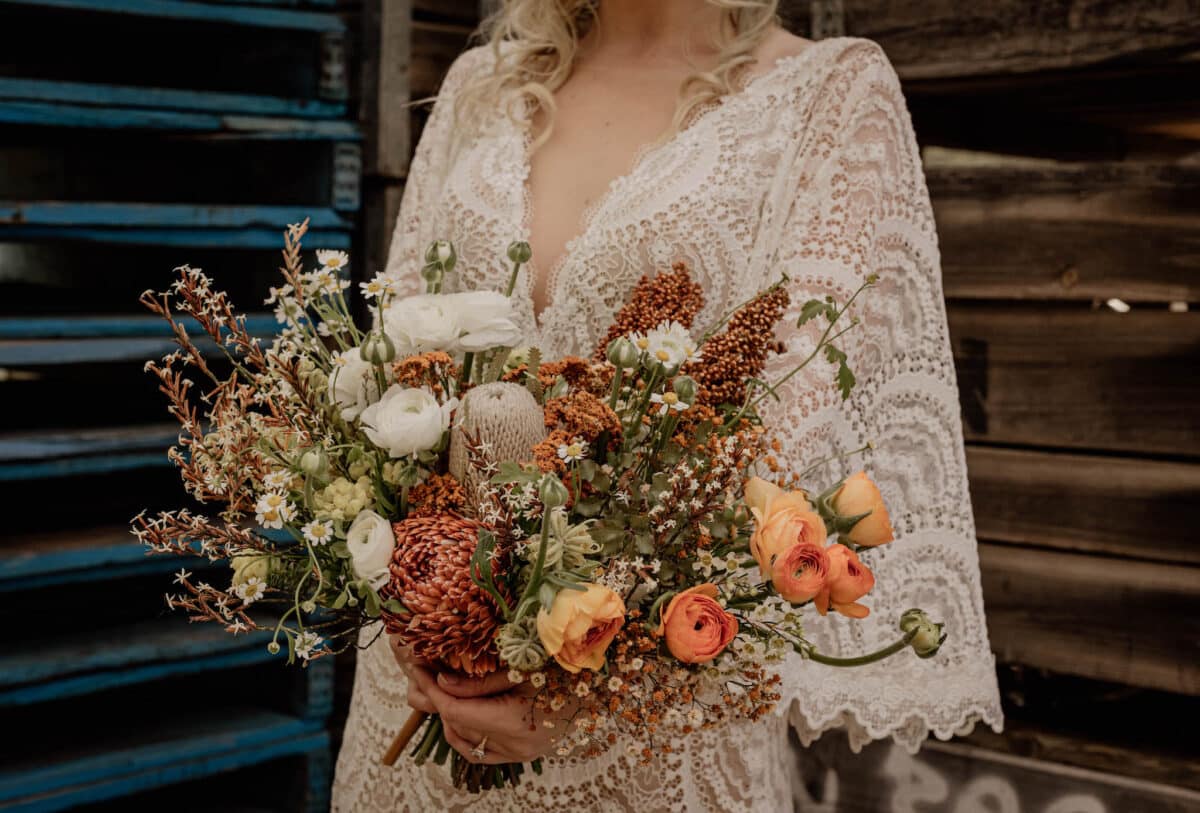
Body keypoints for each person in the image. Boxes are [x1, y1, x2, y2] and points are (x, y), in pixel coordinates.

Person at [332, 1, 1002, 809]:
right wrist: (414, 607)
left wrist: (586, 688)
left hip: (647, 736)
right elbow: (394, 371)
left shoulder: (830, 94)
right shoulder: (484, 84)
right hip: (416, 713)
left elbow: (792, 455)